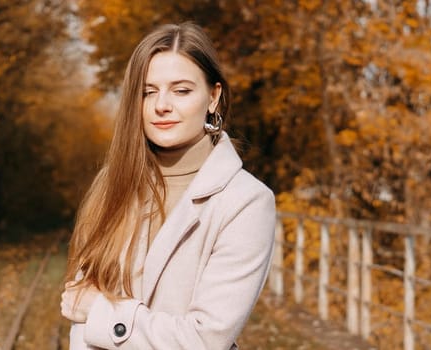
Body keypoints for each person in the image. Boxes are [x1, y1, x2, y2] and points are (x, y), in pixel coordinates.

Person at [60, 22, 276, 349]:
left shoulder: (246, 202)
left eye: (181, 90)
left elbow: (204, 339)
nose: (162, 105)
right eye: (149, 92)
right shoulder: (112, 183)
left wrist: (103, 312)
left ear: (213, 97)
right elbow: (80, 306)